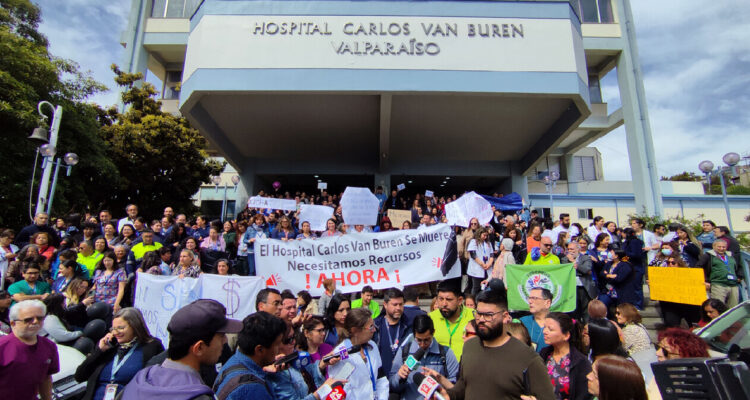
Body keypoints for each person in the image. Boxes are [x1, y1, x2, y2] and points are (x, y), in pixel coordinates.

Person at [427, 288, 555, 400]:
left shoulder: (528, 358)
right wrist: (449, 395)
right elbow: (464, 385)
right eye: (478, 314)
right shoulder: (469, 347)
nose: (481, 320)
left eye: (488, 315)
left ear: (505, 317)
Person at [120, 299, 243, 400]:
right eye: (221, 336)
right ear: (199, 348)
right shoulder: (197, 396)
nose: (225, 341)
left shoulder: (137, 382)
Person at [74, 307, 164, 400]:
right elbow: (79, 376)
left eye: (120, 328)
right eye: (113, 328)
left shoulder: (151, 346)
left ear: (135, 326)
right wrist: (99, 351)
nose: (116, 332)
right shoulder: (109, 346)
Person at [213, 311, 287, 400]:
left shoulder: (234, 362)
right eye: (277, 344)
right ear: (259, 350)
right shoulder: (252, 388)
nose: (279, 349)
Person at [0, 300, 60, 400]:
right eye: (28, 319)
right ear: (13, 323)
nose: (35, 321)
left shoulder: (49, 346)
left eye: (40, 318)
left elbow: (46, 378)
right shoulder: (2, 347)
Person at [389, 314, 459, 400]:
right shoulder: (404, 351)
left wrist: (440, 379)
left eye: (426, 340)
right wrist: (399, 377)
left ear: (433, 332)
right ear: (414, 334)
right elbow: (392, 385)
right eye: (419, 340)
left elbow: (456, 387)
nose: (422, 344)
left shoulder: (445, 353)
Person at [328, 308, 389, 399]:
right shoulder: (340, 354)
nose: (374, 330)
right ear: (355, 330)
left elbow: (380, 378)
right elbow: (338, 390)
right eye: (371, 327)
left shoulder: (372, 346)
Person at [539, 312, 592, 400]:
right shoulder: (544, 354)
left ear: (566, 335)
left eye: (550, 329)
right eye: (544, 327)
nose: (544, 332)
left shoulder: (580, 362)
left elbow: (584, 394)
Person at [647, 328, 709, 400]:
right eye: (658, 347)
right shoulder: (659, 376)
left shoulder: (698, 386)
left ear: (685, 355)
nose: (657, 353)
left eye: (665, 351)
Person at [429, 281, 474, 360]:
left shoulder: (474, 317)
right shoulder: (430, 318)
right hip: (438, 369)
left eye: (449, 299)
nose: (444, 304)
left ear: (460, 300)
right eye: (441, 299)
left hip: (466, 368)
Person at [373, 288, 409, 375]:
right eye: (395, 304)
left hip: (402, 379)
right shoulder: (376, 326)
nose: (398, 308)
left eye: (401, 304)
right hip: (381, 378)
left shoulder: (408, 326)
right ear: (385, 304)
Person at [697, 238, 740, 307]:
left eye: (724, 247)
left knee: (733, 307)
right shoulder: (708, 255)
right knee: (718, 306)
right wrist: (705, 280)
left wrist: (740, 276)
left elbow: (739, 266)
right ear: (714, 246)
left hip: (733, 284)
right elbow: (698, 267)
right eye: (719, 247)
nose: (721, 249)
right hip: (718, 284)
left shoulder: (730, 255)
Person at [521, 287, 552, 353]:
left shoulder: (556, 323)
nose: (530, 301)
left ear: (547, 303)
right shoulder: (522, 322)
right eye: (529, 298)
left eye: (534, 298)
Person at [466, 227, 495, 294]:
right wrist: (482, 264)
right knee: (476, 287)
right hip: (477, 267)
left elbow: (491, 254)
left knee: (486, 286)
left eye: (486, 235)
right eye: (484, 235)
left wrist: (489, 263)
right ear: (479, 234)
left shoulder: (488, 243)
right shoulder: (474, 242)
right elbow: (473, 254)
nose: (485, 237)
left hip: (487, 267)